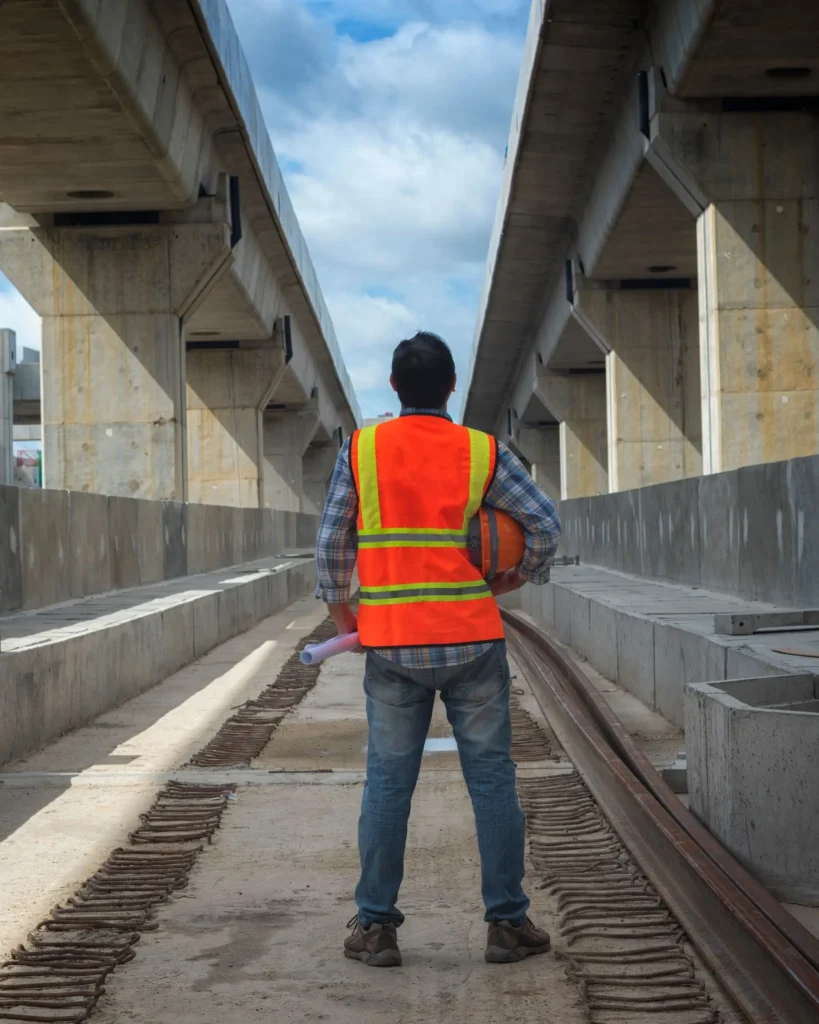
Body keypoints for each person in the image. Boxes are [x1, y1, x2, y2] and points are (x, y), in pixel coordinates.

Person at [315, 331, 561, 968]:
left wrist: (346, 619)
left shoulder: (361, 449)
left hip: (392, 645)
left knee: (388, 785)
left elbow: (331, 545)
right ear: (452, 387)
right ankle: (507, 924)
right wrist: (514, 576)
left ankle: (375, 928)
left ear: (394, 388)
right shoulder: (482, 450)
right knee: (492, 781)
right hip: (473, 639)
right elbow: (545, 524)